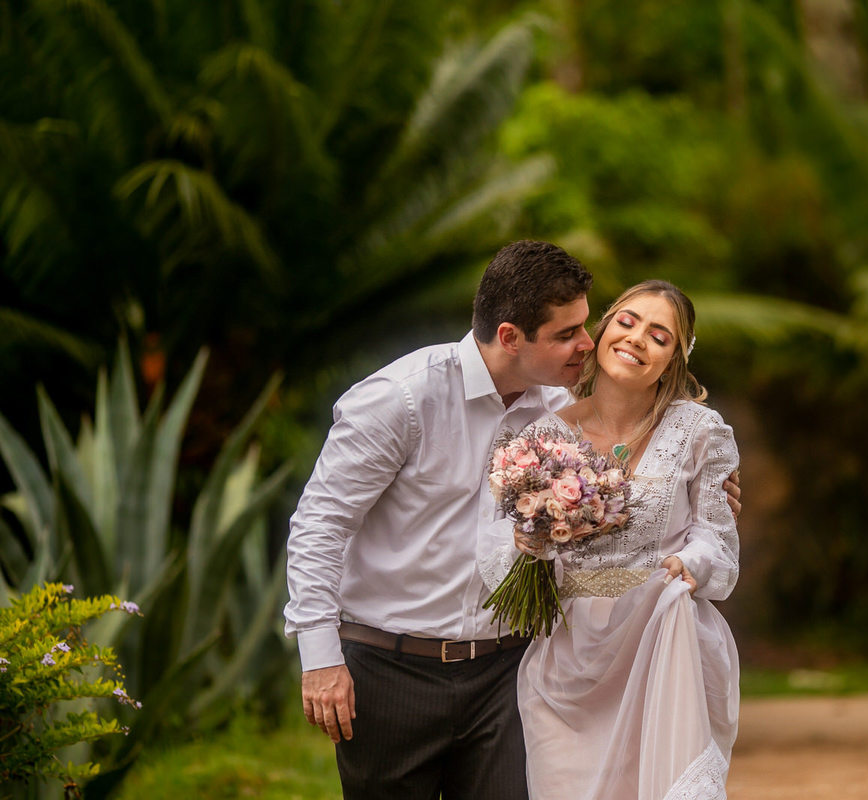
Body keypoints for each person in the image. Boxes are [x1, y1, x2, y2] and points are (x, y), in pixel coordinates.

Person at [284, 244, 739, 800]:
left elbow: (647, 450)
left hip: (508, 672)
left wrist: (701, 499)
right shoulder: (401, 399)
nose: (589, 342)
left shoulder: (554, 404)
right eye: (569, 333)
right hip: (392, 669)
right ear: (510, 337)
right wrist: (320, 659)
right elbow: (320, 523)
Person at [478, 280, 740, 800]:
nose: (639, 339)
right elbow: (494, 553)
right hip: (566, 661)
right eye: (627, 322)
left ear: (674, 360)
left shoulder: (701, 431)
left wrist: (690, 563)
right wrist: (526, 543)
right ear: (601, 331)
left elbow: (719, 541)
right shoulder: (540, 436)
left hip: (660, 646)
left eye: (660, 336)